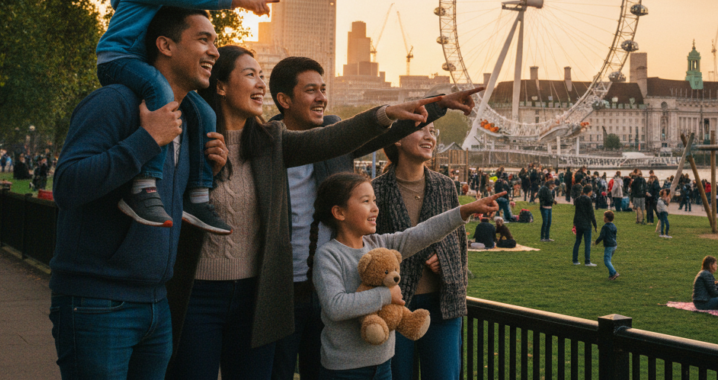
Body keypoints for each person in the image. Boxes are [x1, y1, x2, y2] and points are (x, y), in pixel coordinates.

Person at [165, 45, 443, 380]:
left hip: (305, 291)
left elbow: (340, 137)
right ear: (221, 85)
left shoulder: (271, 142)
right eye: (250, 74)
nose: (258, 85)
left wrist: (426, 108)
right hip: (263, 292)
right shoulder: (198, 141)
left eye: (260, 76)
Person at [268, 58, 477, 380]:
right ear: (284, 100)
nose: (322, 97)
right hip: (281, 292)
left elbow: (388, 131)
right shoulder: (266, 145)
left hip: (338, 290)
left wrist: (439, 106)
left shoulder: (336, 138)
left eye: (324, 89)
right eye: (311, 90)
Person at [49, 7, 229, 379]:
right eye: (203, 39)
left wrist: (205, 174)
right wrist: (147, 139)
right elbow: (67, 185)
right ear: (165, 45)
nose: (215, 52)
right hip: (98, 303)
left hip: (156, 304)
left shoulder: (191, 119)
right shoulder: (113, 102)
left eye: (216, 42)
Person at [96, 0, 276, 233]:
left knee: (205, 113)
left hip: (140, 61)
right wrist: (239, 0)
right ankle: (144, 187)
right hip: (118, 58)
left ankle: (198, 195)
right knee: (161, 92)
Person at [311, 172, 501, 380]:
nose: (375, 208)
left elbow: (422, 233)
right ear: (339, 212)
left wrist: (464, 211)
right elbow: (335, 306)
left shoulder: (378, 244)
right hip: (344, 371)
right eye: (366, 201)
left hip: (383, 367)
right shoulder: (328, 255)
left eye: (374, 200)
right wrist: (386, 295)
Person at [573, 185, 598, 266]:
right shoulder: (588, 200)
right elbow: (591, 213)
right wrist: (595, 224)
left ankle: (575, 260)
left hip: (579, 223)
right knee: (587, 242)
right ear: (589, 191)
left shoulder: (577, 199)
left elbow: (576, 212)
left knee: (577, 241)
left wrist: (574, 223)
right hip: (586, 223)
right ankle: (587, 261)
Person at [593, 210, 619, 280]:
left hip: (609, 245)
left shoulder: (605, 227)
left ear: (606, 218)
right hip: (614, 245)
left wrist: (596, 242)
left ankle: (614, 273)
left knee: (606, 261)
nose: (603, 218)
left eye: (604, 216)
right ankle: (611, 276)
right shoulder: (614, 226)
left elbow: (602, 236)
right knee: (609, 260)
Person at [538, 176, 556, 242]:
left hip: (549, 207)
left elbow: (550, 198)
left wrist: (553, 200)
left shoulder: (549, 190)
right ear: (550, 184)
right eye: (552, 185)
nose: (553, 187)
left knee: (549, 222)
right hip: (544, 207)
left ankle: (547, 237)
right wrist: (552, 201)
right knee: (545, 222)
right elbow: (547, 198)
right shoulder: (544, 189)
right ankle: (542, 237)